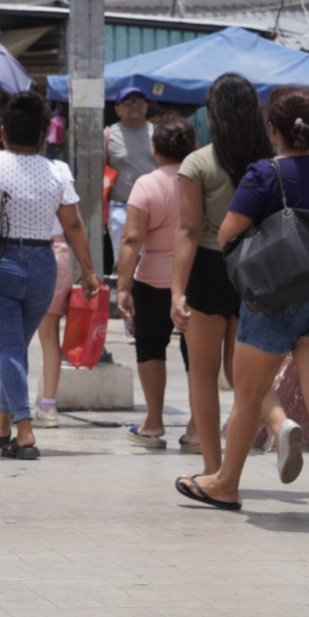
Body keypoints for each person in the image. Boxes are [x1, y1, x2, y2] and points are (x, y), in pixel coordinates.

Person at [176, 86, 309, 518]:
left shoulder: (265, 173)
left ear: (272, 129)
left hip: (280, 293)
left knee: (248, 394)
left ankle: (224, 484)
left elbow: (227, 234)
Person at [0, 91, 102, 459]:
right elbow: (74, 225)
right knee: (16, 350)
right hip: (42, 266)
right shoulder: (55, 172)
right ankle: (2, 425)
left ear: (2, 131)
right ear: (40, 136)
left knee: (7, 350)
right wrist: (89, 272)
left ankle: (24, 430)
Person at [171, 73, 294, 471]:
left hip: (209, 267)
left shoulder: (198, 163)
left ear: (212, 115)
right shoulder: (271, 165)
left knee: (203, 374)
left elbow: (188, 229)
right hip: (256, 268)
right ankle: (279, 422)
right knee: (242, 370)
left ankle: (211, 469)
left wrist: (176, 291)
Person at [116, 114, 197, 448]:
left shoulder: (146, 184)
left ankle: (153, 422)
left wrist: (122, 287)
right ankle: (196, 428)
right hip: (193, 281)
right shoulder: (200, 181)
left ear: (154, 148)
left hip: (150, 283)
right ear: (193, 147)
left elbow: (132, 240)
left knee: (150, 347)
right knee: (197, 355)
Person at [32, 155, 77, 429]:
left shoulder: (1, 164)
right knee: (50, 337)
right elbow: (73, 219)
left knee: (15, 335)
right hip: (58, 252)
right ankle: (48, 406)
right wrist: (88, 267)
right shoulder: (61, 169)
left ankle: (9, 404)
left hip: (21, 248)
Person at [104, 86, 158, 252]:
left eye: (139, 100)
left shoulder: (159, 133)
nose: (134, 104)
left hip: (155, 209)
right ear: (117, 109)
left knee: (151, 262)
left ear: (146, 106)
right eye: (127, 101)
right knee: (124, 263)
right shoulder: (107, 135)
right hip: (121, 209)